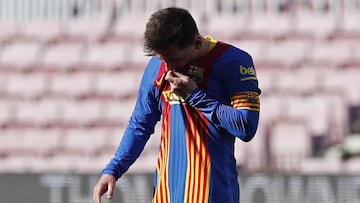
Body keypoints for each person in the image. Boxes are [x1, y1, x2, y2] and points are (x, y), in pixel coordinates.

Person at [93, 6, 261, 203]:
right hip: (165, 195)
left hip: (212, 195)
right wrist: (113, 169)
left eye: (174, 60)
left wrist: (195, 95)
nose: (169, 68)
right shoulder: (159, 65)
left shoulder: (234, 61)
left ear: (197, 43)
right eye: (163, 60)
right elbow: (140, 125)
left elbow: (246, 126)